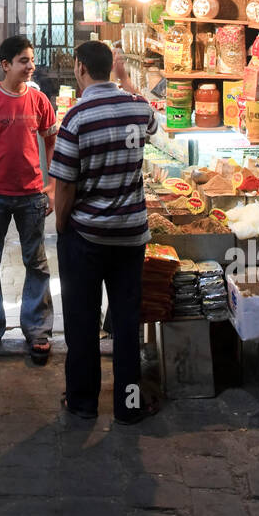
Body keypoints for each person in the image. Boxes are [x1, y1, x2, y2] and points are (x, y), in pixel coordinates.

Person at [50, 40, 159, 424]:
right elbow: (153, 122)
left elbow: (64, 186)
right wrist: (126, 78)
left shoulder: (77, 118)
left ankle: (82, 402)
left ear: (80, 68)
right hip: (130, 237)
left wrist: (63, 226)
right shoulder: (137, 108)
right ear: (111, 68)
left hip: (87, 237)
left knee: (82, 321)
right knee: (127, 323)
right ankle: (128, 406)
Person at [0, 34, 58, 365]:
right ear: (6, 65)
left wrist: (53, 185)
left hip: (32, 195)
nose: (30, 66)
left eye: (31, 60)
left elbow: (52, 141)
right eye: (23, 61)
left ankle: (37, 330)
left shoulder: (39, 101)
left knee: (36, 263)